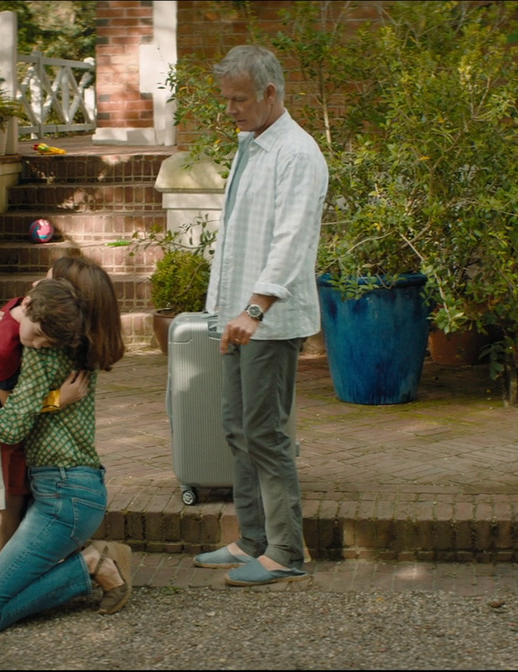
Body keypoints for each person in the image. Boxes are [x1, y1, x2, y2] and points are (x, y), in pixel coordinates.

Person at [191, 44, 328, 587]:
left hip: (268, 320)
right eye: (226, 99)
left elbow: (292, 241)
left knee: (265, 433)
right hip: (239, 317)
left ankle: (287, 552)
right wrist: (228, 310)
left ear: (271, 93)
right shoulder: (253, 146)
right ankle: (252, 539)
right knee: (236, 429)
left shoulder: (297, 153)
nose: (230, 109)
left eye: (239, 99)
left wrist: (255, 307)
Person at [0, 256, 130, 633]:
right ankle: (86, 561)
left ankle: (91, 564)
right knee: (5, 585)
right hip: (70, 490)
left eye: (50, 281)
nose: (37, 287)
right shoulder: (74, 347)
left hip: (64, 497)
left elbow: (10, 425)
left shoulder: (45, 349)